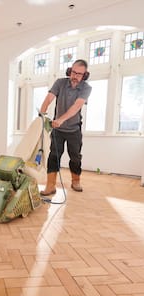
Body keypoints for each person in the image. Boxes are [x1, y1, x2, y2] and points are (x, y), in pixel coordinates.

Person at [39, 59, 92, 195]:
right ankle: (50, 186)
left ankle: (75, 181)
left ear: (84, 75)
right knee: (53, 156)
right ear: (70, 70)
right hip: (58, 131)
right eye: (73, 72)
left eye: (79, 74)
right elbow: (49, 98)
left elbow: (76, 107)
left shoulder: (86, 88)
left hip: (74, 130)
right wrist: (42, 114)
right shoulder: (60, 83)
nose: (75, 76)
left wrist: (61, 119)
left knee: (75, 157)